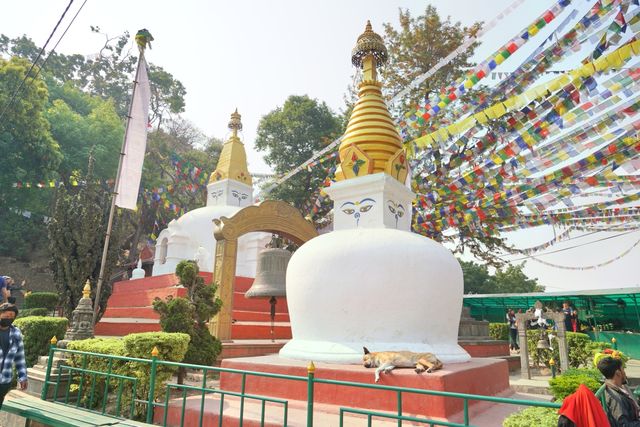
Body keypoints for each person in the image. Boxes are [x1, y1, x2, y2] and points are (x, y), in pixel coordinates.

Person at [597, 356, 640, 426]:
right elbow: (624, 425)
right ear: (618, 373)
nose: (624, 372)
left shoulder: (616, 389)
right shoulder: (615, 398)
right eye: (623, 369)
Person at [0, 303, 28, 409]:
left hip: (4, 380)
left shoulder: (16, 333)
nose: (9, 319)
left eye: (12, 317)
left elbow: (19, 357)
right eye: (6, 316)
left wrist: (23, 376)